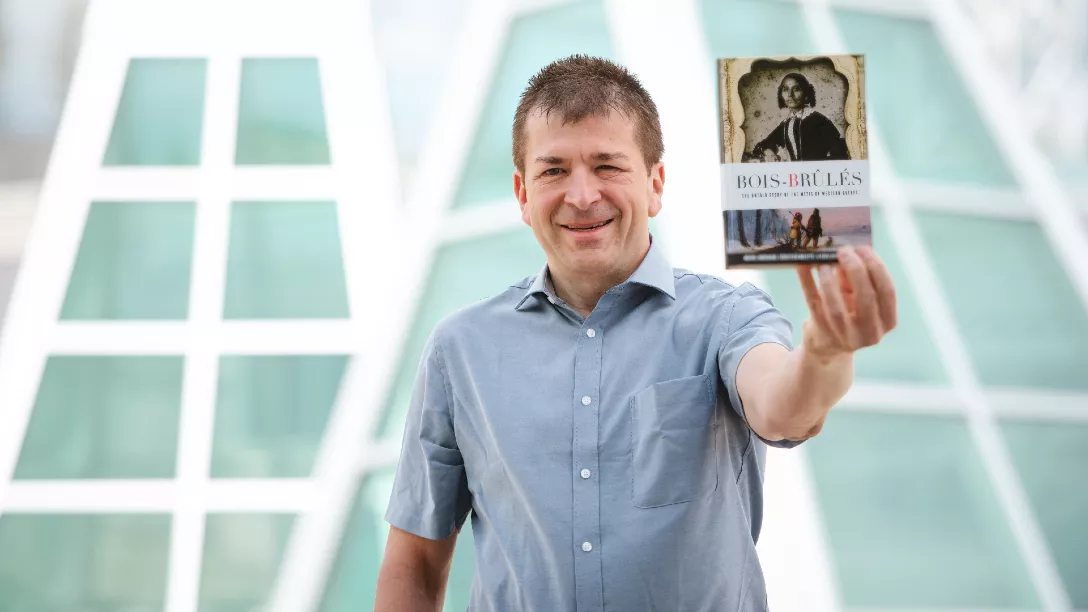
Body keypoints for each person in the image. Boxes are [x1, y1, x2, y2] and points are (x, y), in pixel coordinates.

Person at [375, 55, 897, 612]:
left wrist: (825, 351)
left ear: (655, 184)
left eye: (608, 166)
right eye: (553, 170)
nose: (581, 195)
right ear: (523, 194)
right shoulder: (460, 351)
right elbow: (415, 563)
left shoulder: (725, 317)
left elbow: (784, 406)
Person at [752, 73, 850, 162]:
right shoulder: (787, 123)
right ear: (781, 94)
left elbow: (839, 152)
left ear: (806, 93)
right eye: (785, 89)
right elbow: (764, 144)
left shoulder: (818, 120)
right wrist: (769, 151)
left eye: (796, 89)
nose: (790, 95)